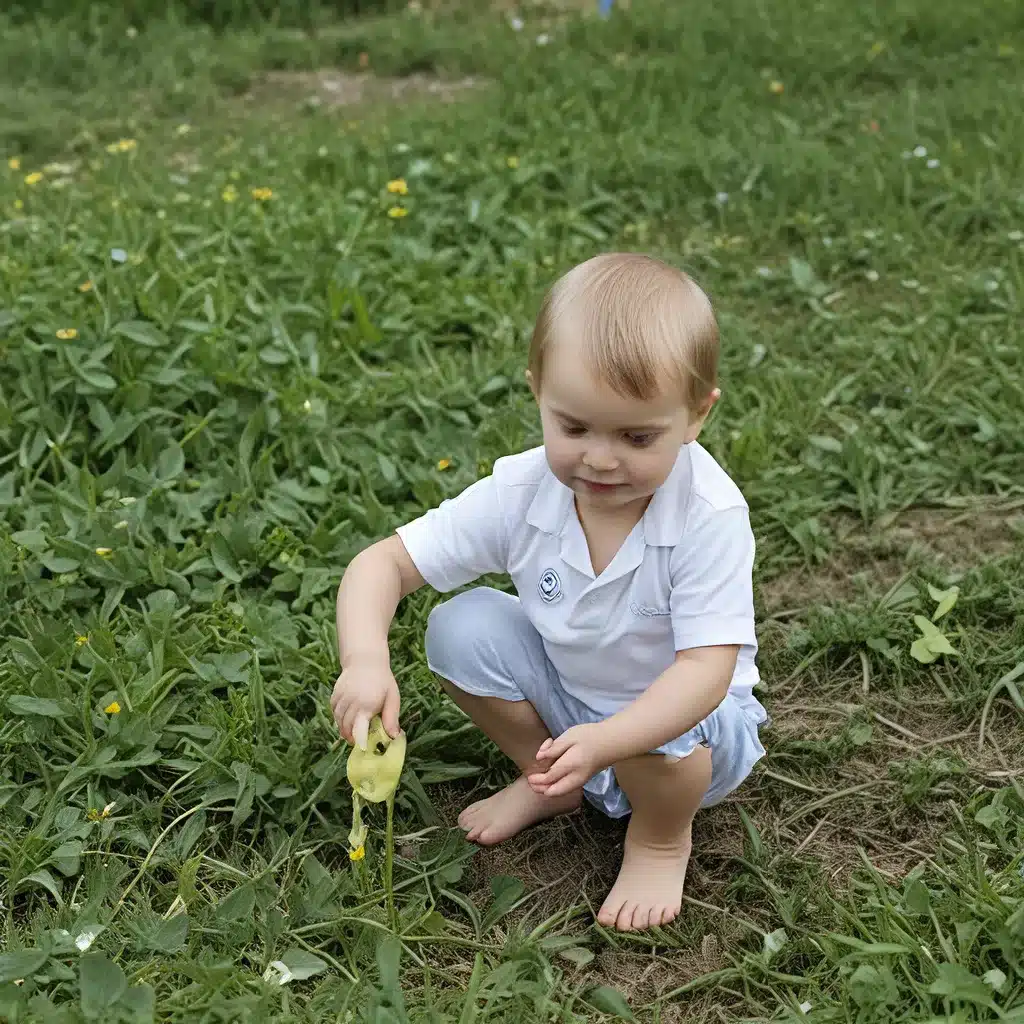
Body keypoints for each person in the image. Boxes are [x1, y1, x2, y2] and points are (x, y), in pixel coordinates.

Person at [331, 252, 767, 933]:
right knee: (459, 627)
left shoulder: (707, 516)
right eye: (574, 427)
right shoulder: (524, 491)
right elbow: (382, 565)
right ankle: (550, 781)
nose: (599, 458)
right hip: (577, 701)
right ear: (537, 391)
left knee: (669, 727)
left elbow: (705, 674)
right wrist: (364, 661)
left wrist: (611, 738)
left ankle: (657, 837)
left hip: (693, 732)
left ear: (696, 417)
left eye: (637, 436)